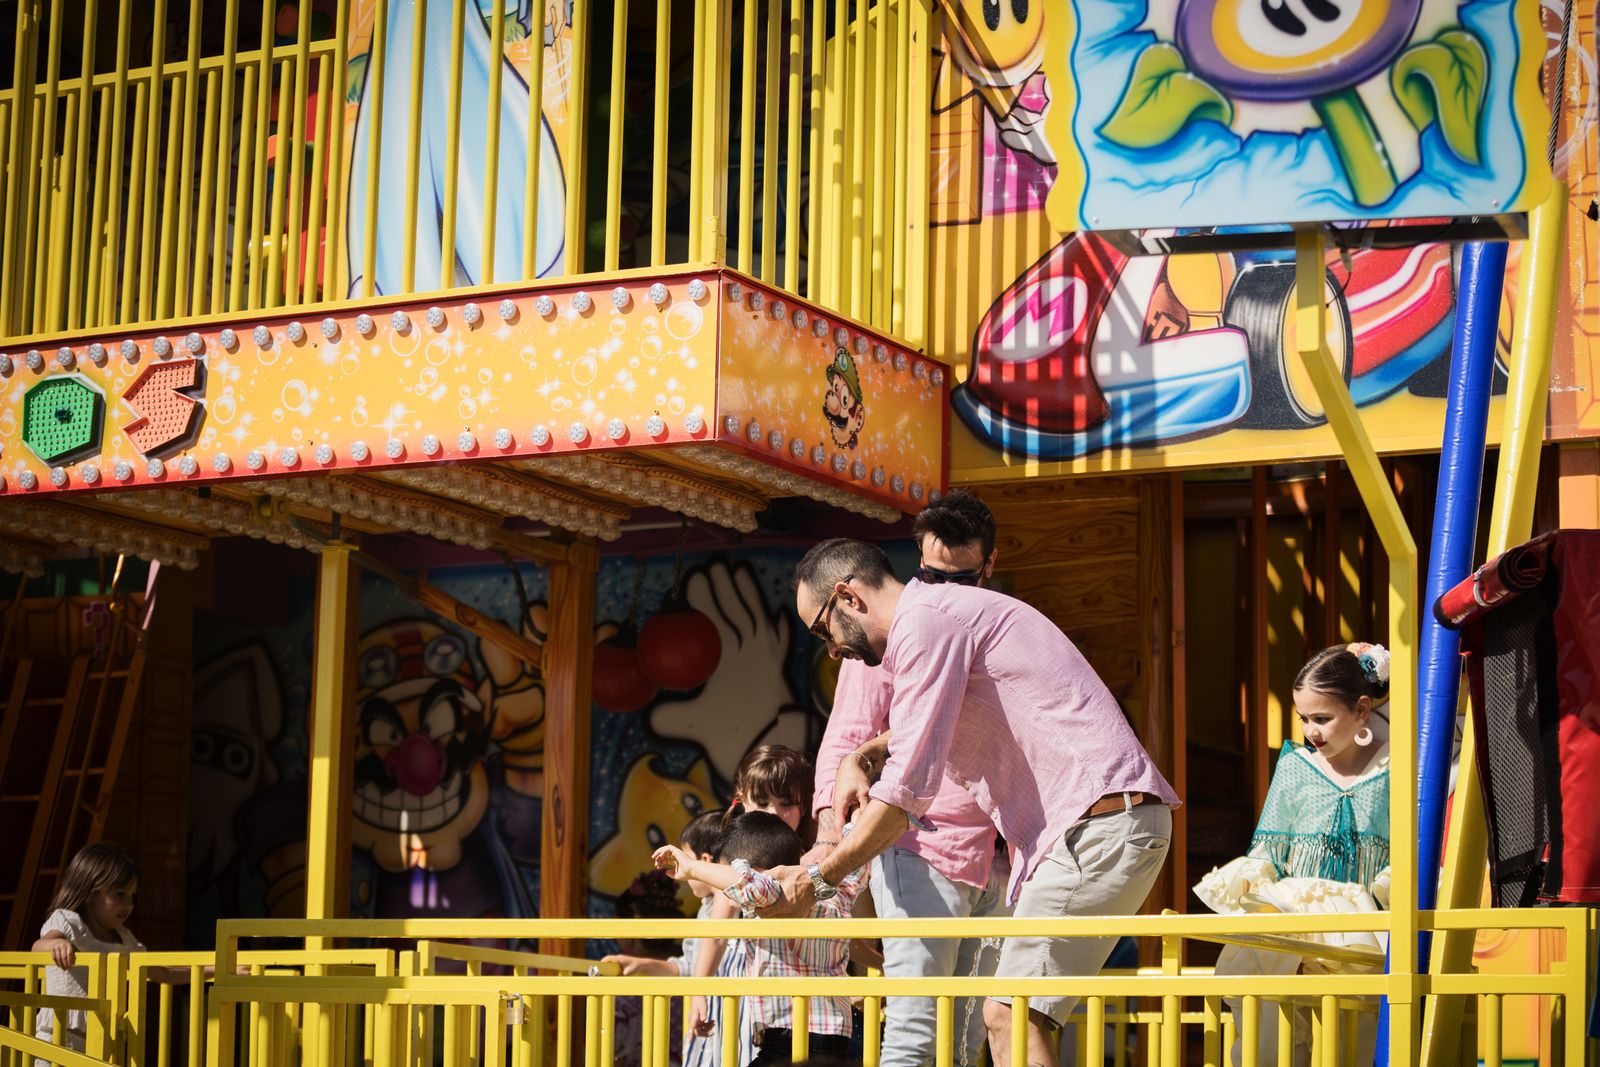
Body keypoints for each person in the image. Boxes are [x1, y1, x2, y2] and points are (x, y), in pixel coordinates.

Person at [778, 538, 1179, 1067]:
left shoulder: (923, 625)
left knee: (1004, 1016)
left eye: (821, 630)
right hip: (1101, 828)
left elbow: (902, 799)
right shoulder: (938, 616)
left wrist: (816, 879)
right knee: (1000, 1017)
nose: (829, 650)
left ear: (848, 597)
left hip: (1096, 829)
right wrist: (863, 755)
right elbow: (924, 728)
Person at [811, 489, 1011, 1067]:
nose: (941, 590)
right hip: (919, 847)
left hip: (996, 856)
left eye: (960, 577)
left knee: (966, 1041)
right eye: (929, 574)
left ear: (990, 566)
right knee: (914, 1038)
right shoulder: (896, 630)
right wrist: (835, 855)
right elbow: (844, 744)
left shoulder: (993, 623)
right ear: (915, 559)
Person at [1195, 643, 1393, 1067]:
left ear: (1361, 710)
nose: (1310, 730)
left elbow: (1403, 852)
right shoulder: (1295, 767)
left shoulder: (1395, 767)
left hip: (1360, 919)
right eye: (1304, 718)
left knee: (1352, 1030)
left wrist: (1381, 896)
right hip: (1292, 912)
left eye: (1322, 718)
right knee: (1267, 1004)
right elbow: (1269, 847)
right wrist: (1252, 883)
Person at [655, 812, 864, 1066]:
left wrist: (693, 868)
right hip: (834, 1035)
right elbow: (856, 869)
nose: (729, 894)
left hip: (788, 1033)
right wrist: (855, 821)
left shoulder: (776, 895)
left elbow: (752, 886)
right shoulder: (835, 891)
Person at [32, 843, 207, 1058]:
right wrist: (56, 945)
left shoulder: (124, 940)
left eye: (132, 896)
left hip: (99, 1049)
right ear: (90, 893)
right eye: (120, 894)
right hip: (56, 1045)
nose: (129, 904)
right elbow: (39, 947)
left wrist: (215, 969)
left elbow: (165, 973)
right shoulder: (69, 922)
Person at [604, 810, 728, 1067]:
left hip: (727, 1026)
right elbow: (689, 968)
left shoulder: (733, 907)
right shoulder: (706, 909)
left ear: (703, 860)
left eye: (685, 858)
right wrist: (645, 965)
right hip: (705, 1033)